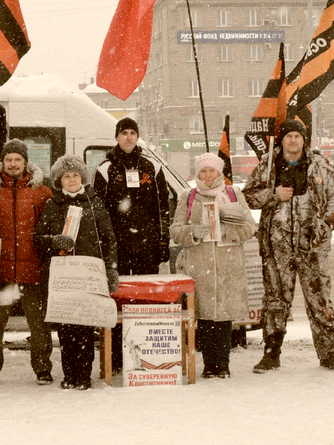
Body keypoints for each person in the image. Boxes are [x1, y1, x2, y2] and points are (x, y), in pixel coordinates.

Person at [243, 119, 334, 373]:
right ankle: (271, 354)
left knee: (320, 301)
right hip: (277, 248)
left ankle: (329, 355)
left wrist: (326, 223)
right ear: (282, 140)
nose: (293, 141)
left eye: (297, 136)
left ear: (304, 140)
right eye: (288, 136)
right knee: (275, 301)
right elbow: (247, 196)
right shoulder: (268, 165)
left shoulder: (319, 164)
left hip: (312, 246)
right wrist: (272, 195)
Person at [92, 117, 174, 370]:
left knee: (143, 301)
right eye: (124, 133)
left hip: (146, 247)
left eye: (132, 133)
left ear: (137, 137)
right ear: (116, 137)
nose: (128, 137)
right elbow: (98, 212)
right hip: (117, 249)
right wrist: (103, 247)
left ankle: (142, 354)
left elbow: (163, 209)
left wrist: (163, 241)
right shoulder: (105, 169)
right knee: (116, 301)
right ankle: (117, 357)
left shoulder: (152, 167)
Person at [168, 153, 256, 379]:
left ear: (220, 173)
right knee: (205, 317)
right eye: (203, 171)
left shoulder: (233, 194)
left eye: (212, 171)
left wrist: (230, 231)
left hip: (227, 265)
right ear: (197, 174)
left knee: (224, 316)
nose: (208, 176)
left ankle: (223, 364)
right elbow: (176, 231)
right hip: (200, 265)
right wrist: (192, 232)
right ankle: (209, 365)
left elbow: (249, 227)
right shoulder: (188, 196)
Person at [35, 155, 118, 390]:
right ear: (59, 180)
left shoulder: (94, 202)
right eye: (66, 176)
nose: (71, 179)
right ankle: (69, 374)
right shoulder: (52, 205)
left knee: (84, 327)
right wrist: (54, 241)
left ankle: (84, 375)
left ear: (82, 177)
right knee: (65, 328)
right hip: (62, 276)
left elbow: (109, 240)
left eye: (75, 175)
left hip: (88, 275)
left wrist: (111, 271)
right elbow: (38, 239)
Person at [0, 139, 55, 386]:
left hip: (32, 268)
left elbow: (50, 224)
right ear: (2, 162)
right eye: (8, 160)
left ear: (25, 162)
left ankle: (43, 368)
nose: (12, 164)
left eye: (17, 160)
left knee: (39, 325)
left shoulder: (41, 191)